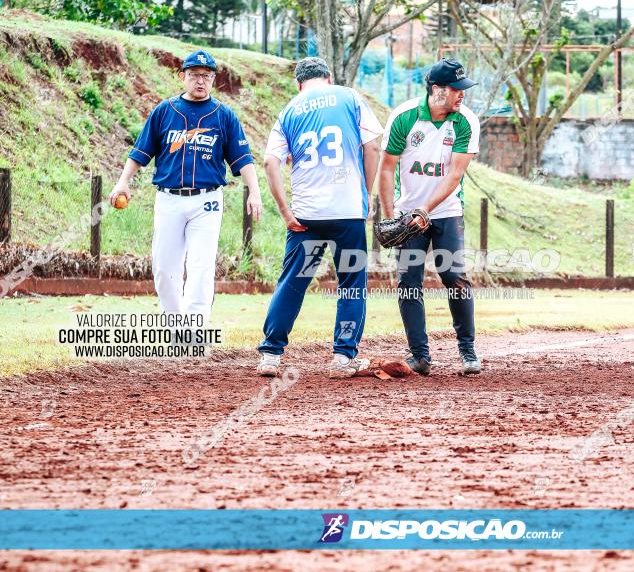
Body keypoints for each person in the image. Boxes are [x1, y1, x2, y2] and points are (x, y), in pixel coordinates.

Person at [109, 50, 262, 331]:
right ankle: (174, 326)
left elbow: (243, 158)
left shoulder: (224, 116)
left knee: (201, 267)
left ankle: (193, 331)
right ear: (183, 77)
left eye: (206, 76)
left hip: (207, 201)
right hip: (169, 199)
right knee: (164, 270)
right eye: (194, 75)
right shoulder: (164, 111)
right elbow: (141, 151)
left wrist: (255, 191)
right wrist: (123, 181)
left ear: (214, 79)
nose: (200, 81)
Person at [256, 57, 382, 377]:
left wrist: (286, 211)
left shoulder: (289, 110)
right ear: (329, 77)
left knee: (293, 282)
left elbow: (270, 163)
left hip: (306, 214)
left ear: (299, 84)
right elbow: (372, 149)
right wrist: (366, 195)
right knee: (351, 284)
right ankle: (342, 357)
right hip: (347, 210)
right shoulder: (349, 97)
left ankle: (271, 354)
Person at [376, 58, 482, 376]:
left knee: (454, 277)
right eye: (456, 89)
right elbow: (386, 168)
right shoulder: (405, 117)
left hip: (446, 211)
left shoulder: (465, 121)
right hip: (409, 215)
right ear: (437, 90)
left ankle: (467, 351)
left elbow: (454, 176)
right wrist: (390, 214)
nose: (462, 95)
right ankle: (419, 356)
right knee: (409, 283)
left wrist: (426, 210)